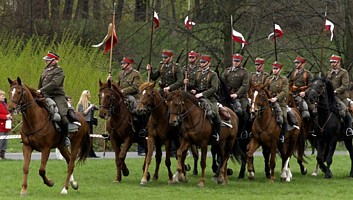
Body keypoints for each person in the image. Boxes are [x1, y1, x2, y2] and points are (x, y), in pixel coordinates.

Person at [108, 56, 146, 155]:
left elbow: (135, 87)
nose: (122, 65)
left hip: (132, 95)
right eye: (122, 63)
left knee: (134, 104)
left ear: (129, 65)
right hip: (122, 96)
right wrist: (111, 82)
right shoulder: (121, 74)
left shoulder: (135, 74)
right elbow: (118, 85)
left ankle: (139, 124)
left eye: (124, 64)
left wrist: (122, 91)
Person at [38, 52, 70, 146]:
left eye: (47, 60)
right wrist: (37, 93)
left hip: (57, 95)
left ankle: (65, 137)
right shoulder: (45, 71)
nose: (45, 61)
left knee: (61, 115)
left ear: (53, 61)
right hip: (45, 95)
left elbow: (54, 83)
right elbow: (40, 84)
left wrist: (41, 90)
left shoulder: (59, 71)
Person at [190, 54, 220, 143]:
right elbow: (195, 85)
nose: (202, 64)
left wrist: (202, 94)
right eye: (201, 62)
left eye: (204, 63)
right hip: (197, 97)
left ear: (208, 63)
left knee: (214, 114)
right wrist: (192, 88)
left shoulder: (213, 74)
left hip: (210, 98)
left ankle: (216, 133)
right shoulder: (198, 73)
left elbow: (214, 88)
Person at [326, 55, 353, 136]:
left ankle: (349, 128)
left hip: (341, 97)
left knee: (344, 110)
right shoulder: (328, 73)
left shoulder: (344, 72)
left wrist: (335, 91)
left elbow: (345, 85)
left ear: (338, 63)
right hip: (329, 97)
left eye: (334, 62)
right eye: (331, 62)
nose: (332, 64)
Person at [265, 61, 289, 143]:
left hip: (280, 103)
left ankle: (282, 135)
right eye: (273, 69)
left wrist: (276, 98)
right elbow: (265, 89)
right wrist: (268, 98)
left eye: (276, 69)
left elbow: (284, 91)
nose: (275, 70)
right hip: (269, 102)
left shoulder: (284, 80)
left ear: (280, 70)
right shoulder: (269, 79)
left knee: (284, 117)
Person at [77, 90, 99, 158]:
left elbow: (96, 110)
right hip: (84, 122)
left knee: (90, 138)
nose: (90, 96)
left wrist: (94, 107)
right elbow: (83, 114)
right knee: (84, 138)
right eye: (89, 95)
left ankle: (91, 152)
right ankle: (83, 152)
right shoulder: (80, 104)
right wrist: (89, 108)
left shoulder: (89, 103)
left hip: (90, 122)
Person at [0, 90, 11, 159]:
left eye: (4, 95)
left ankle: (2, 155)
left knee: (5, 141)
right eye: (2, 95)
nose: (4, 97)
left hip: (6, 125)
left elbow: (7, 112)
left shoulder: (5, 104)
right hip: (0, 126)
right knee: (0, 141)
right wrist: (5, 117)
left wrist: (10, 115)